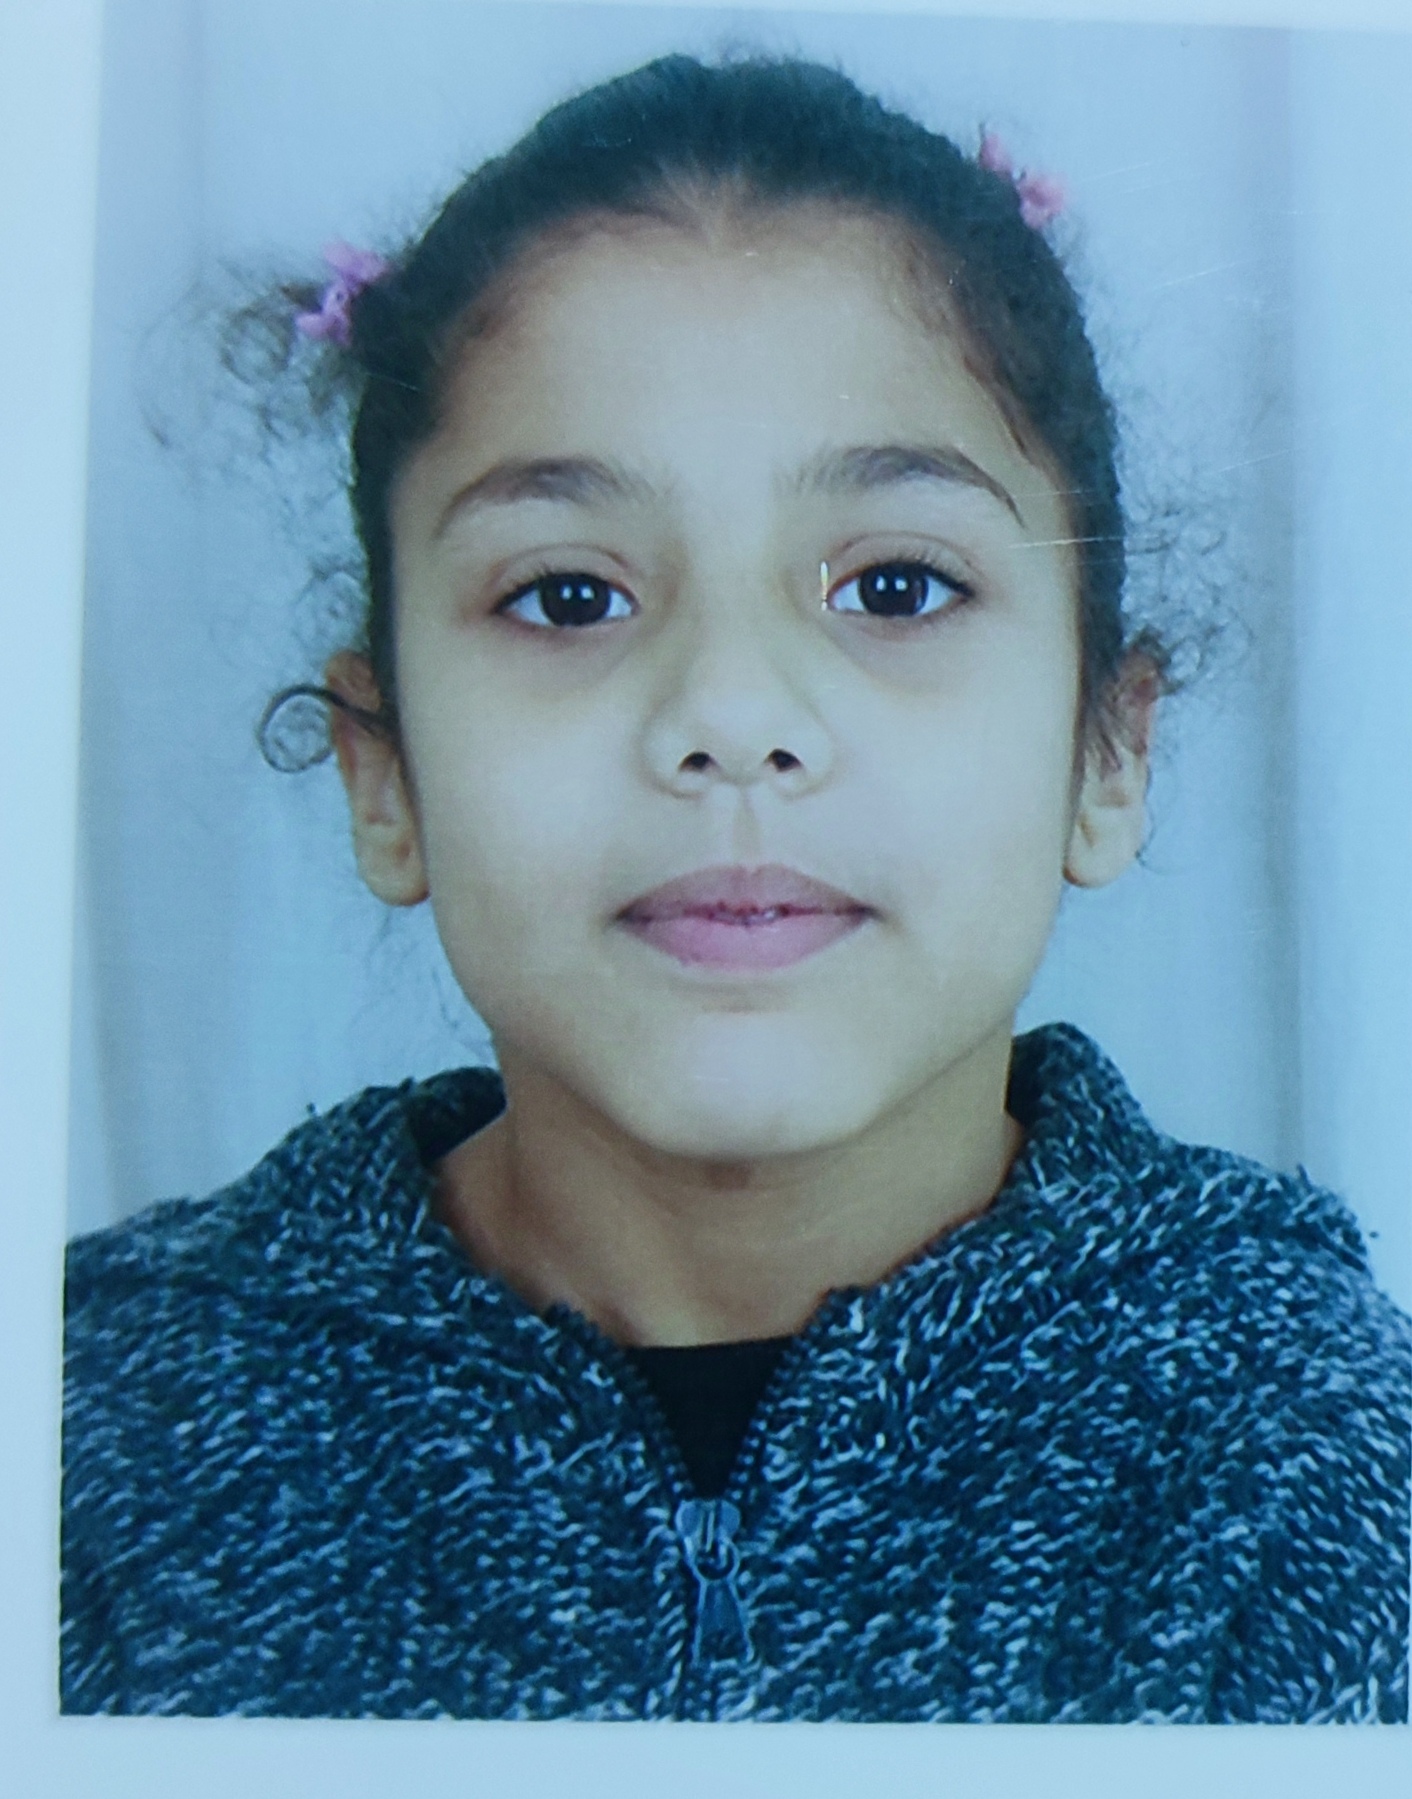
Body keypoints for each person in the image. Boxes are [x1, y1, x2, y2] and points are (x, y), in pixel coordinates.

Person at [61, 54, 1410, 1723]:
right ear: (382, 775)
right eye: (569, 598)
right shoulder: (101, 1449)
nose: (732, 715)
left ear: (1107, 753)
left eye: (895, 586)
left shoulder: (1316, 1466)